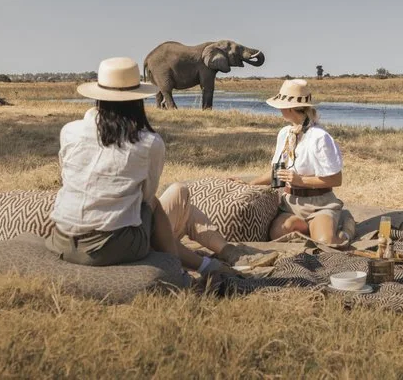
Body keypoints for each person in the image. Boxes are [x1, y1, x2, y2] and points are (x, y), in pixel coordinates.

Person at [46, 57, 237, 276]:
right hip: (112, 247)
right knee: (154, 204)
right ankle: (181, 269)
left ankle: (205, 264)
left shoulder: (69, 131)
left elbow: (65, 176)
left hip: (62, 239)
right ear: (137, 99)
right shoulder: (148, 143)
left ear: (99, 96)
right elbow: (146, 198)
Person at [237, 79, 349, 245]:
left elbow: (335, 179)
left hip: (320, 204)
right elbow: (278, 174)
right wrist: (250, 184)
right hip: (290, 203)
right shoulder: (285, 133)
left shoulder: (320, 137)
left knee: (326, 243)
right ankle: (311, 228)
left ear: (288, 108)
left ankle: (344, 224)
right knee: (278, 234)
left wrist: (300, 180)